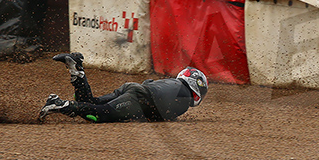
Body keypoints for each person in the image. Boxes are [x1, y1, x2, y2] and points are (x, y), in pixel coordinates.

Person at [38, 52, 208, 123]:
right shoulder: (184, 100)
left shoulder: (172, 82)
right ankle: (60, 104)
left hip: (133, 88)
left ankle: (77, 70)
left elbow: (149, 82)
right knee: (99, 115)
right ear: (197, 88)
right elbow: (163, 116)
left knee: (89, 102)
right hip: (139, 99)